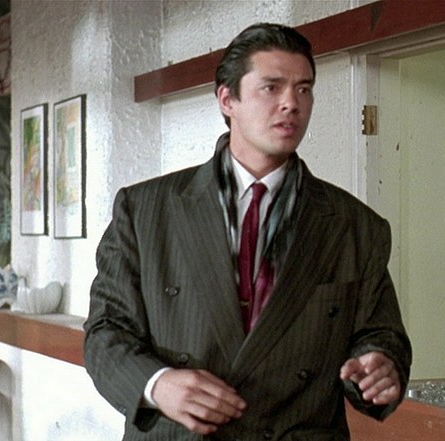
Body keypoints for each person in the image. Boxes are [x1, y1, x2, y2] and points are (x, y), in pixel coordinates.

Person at [84, 22, 412, 441]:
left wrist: (379, 364)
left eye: (304, 89)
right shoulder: (144, 209)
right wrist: (157, 384)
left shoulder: (355, 225)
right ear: (227, 99)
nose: (291, 103)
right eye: (271, 88)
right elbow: (105, 332)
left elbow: (379, 334)